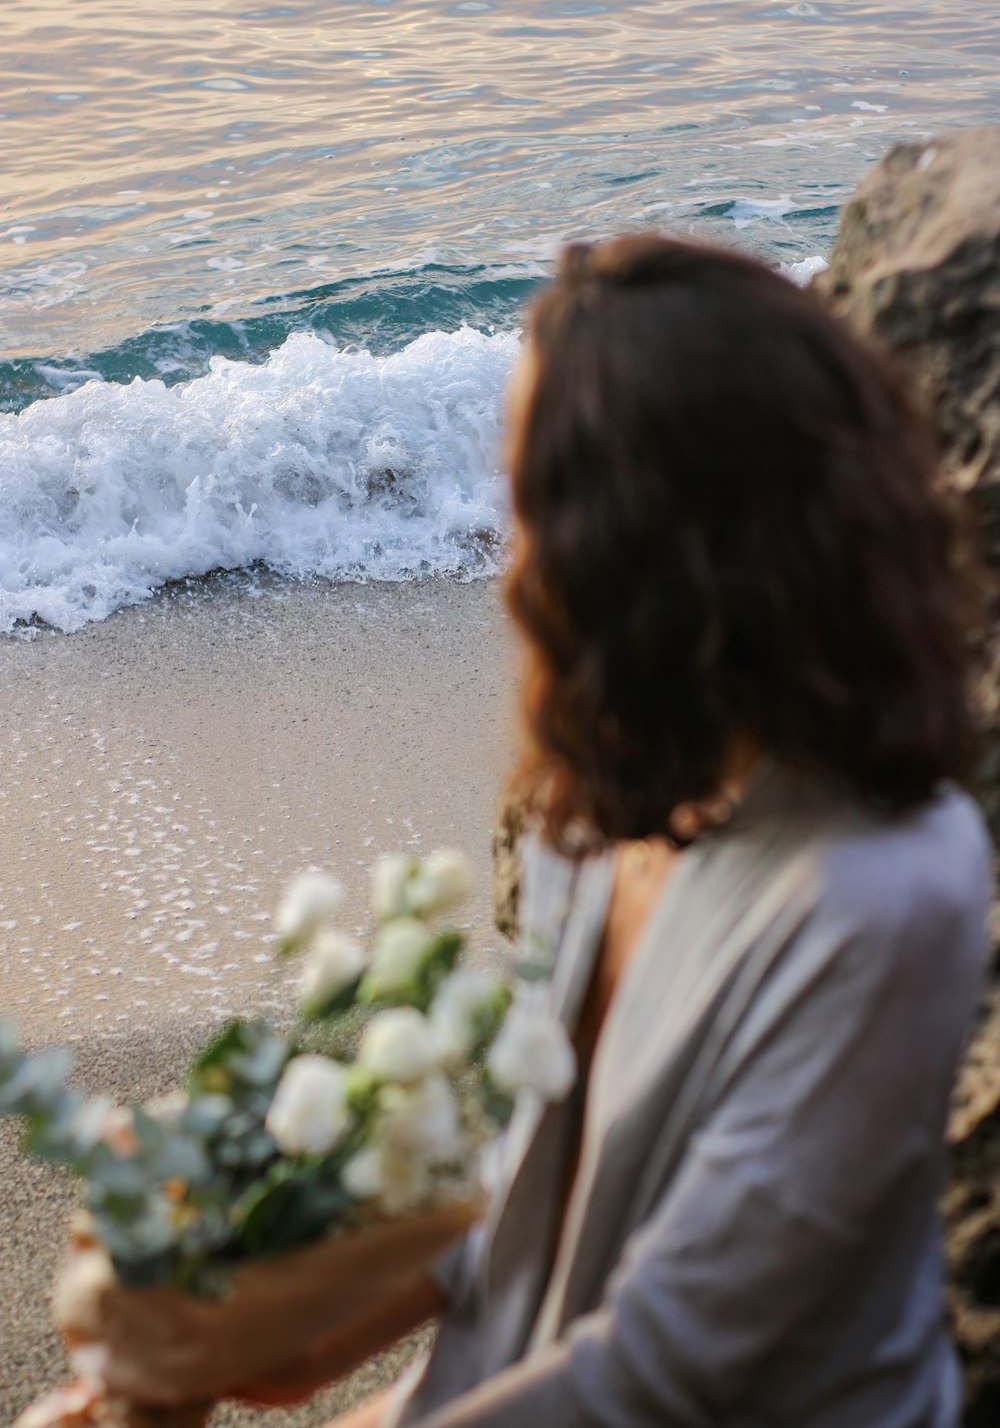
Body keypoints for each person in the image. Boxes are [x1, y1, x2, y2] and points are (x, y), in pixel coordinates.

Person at [47, 235, 994, 1428]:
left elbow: (668, 1368)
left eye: (537, 508)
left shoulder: (883, 890)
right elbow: (531, 1202)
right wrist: (263, 1343)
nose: (509, 567)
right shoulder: (599, 819)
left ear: (652, 549)